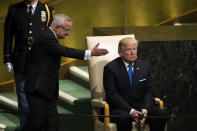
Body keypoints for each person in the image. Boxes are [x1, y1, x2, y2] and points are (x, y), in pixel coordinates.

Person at [23, 14, 108, 131]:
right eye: (67, 30)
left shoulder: (50, 36)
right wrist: (90, 53)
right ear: (58, 27)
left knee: (52, 123)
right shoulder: (46, 37)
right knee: (36, 123)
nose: (68, 33)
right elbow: (65, 51)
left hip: (47, 89)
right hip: (38, 89)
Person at [3, 0, 54, 129]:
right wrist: (7, 58)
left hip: (41, 63)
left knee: (40, 101)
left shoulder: (47, 9)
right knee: (24, 102)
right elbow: (8, 36)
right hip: (21, 61)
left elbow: (51, 38)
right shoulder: (14, 9)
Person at [103, 37, 166, 131]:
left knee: (160, 115)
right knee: (125, 118)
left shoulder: (144, 66)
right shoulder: (111, 68)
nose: (132, 53)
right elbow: (112, 94)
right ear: (120, 52)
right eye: (128, 50)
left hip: (141, 106)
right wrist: (131, 111)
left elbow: (150, 91)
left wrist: (145, 109)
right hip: (120, 108)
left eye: (134, 49)